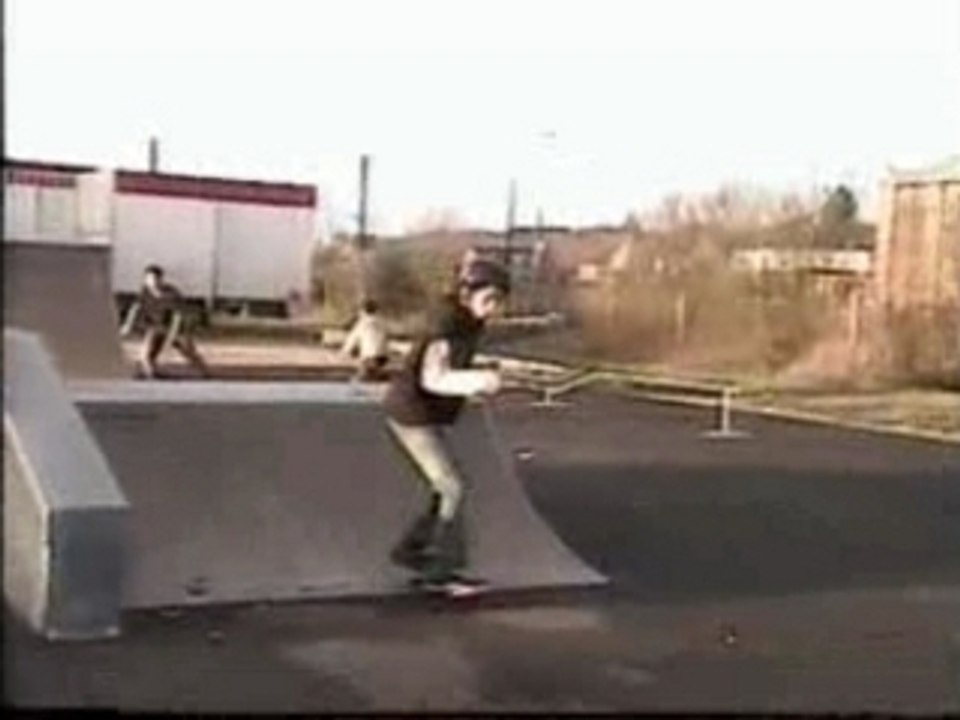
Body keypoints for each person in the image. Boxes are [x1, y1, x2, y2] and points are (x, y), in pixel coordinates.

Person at [382, 258, 510, 596]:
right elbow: (433, 377)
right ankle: (441, 572)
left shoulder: (470, 321)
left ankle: (411, 552)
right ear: (468, 294)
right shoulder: (446, 322)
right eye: (489, 300)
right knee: (453, 486)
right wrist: (477, 380)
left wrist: (475, 378)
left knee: (444, 487)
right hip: (412, 413)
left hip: (427, 412)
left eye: (499, 301)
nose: (493, 309)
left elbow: (454, 366)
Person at [120, 264, 209, 379]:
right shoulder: (145, 291)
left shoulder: (171, 293)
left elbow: (178, 316)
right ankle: (152, 375)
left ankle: (204, 373)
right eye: (149, 279)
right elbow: (136, 308)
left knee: (188, 351)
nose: (152, 282)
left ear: (161, 279)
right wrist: (127, 325)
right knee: (145, 355)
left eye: (155, 279)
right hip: (155, 328)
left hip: (175, 327)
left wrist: (172, 335)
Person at [341, 299, 390, 381]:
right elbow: (385, 338)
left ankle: (368, 374)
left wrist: (345, 351)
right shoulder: (382, 322)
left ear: (363, 311)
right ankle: (377, 373)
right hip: (383, 356)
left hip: (369, 356)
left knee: (360, 375)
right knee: (372, 367)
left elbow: (353, 338)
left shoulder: (362, 323)